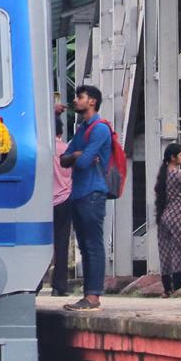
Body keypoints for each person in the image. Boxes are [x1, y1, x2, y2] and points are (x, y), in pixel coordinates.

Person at [59, 85, 111, 311]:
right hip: (79, 192)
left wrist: (77, 156)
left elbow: (78, 162)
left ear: (92, 101)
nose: (75, 100)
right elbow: (64, 159)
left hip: (92, 193)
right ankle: (89, 295)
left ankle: (93, 296)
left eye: (80, 97)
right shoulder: (83, 129)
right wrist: (78, 155)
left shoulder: (100, 129)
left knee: (92, 245)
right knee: (85, 245)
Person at [153, 143, 181, 295]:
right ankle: (177, 286)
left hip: (164, 216)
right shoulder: (180, 174)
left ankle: (167, 288)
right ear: (173, 158)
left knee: (165, 252)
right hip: (178, 215)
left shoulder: (163, 174)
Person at [47, 115, 74, 296]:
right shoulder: (68, 150)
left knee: (41, 242)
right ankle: (59, 286)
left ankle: (37, 284)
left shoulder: (42, 150)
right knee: (61, 244)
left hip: (42, 203)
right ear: (60, 131)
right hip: (64, 200)